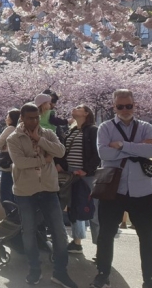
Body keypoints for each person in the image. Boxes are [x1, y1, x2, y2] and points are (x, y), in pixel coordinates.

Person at [91, 89, 152, 288]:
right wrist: (137, 147)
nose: (124, 110)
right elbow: (103, 153)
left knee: (147, 237)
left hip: (143, 190)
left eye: (128, 106)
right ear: (114, 107)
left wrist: (121, 145)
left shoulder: (146, 127)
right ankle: (103, 273)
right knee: (106, 235)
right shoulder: (105, 127)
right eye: (120, 106)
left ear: (134, 105)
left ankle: (149, 279)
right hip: (113, 190)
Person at [7, 103, 77, 288]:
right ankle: (34, 270)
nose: (34, 120)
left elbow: (61, 151)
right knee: (28, 231)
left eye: (37, 117)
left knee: (59, 232)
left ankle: (60, 273)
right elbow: (20, 162)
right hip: (25, 190)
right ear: (22, 118)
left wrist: (40, 139)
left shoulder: (47, 133)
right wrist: (44, 159)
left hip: (48, 188)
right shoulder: (14, 138)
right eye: (30, 118)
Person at [58, 105, 100, 253]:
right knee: (74, 207)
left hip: (86, 176)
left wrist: (87, 170)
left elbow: (97, 153)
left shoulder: (93, 130)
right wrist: (61, 166)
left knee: (92, 209)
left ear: (86, 113)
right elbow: (64, 151)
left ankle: (101, 247)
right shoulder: (73, 131)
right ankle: (77, 242)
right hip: (71, 175)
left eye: (78, 107)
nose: (74, 109)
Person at [0, 109, 20, 213]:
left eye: (8, 117)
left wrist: (4, 147)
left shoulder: (10, 129)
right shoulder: (21, 129)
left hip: (8, 166)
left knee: (5, 197)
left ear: (13, 119)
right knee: (14, 195)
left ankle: (12, 219)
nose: (6, 119)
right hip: (17, 165)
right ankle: (18, 218)